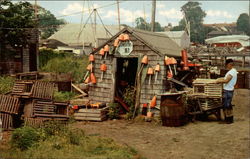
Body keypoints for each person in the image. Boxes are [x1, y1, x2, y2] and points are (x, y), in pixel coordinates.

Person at [216, 59, 237, 124]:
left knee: (226, 105)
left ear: (229, 64)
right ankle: (229, 119)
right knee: (228, 105)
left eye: (227, 65)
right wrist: (220, 78)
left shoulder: (232, 72)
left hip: (228, 91)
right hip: (228, 90)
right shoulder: (232, 71)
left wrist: (217, 81)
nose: (227, 66)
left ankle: (228, 120)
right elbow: (226, 79)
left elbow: (226, 80)